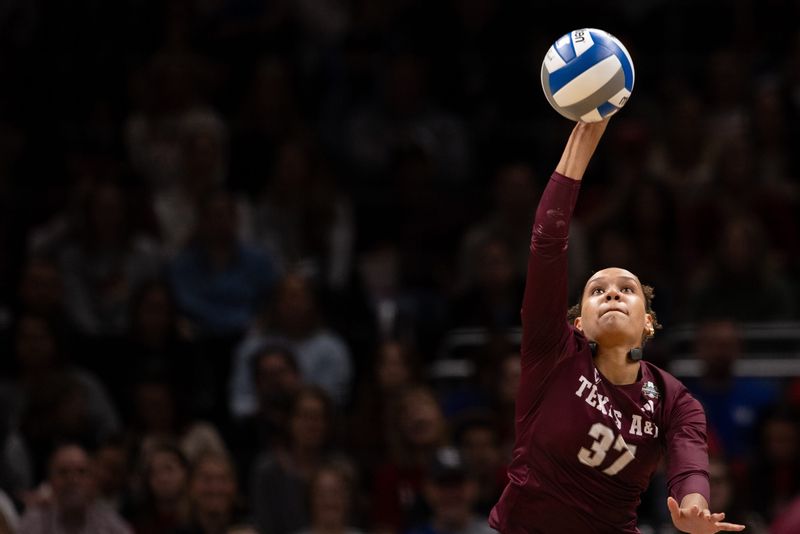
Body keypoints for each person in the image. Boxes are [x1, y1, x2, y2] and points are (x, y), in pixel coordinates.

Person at [488, 120, 745, 533]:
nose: (611, 294)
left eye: (626, 289)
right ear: (577, 323)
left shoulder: (673, 399)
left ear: (647, 323)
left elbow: (688, 465)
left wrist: (695, 508)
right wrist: (582, 140)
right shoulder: (551, 351)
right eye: (597, 291)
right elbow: (548, 242)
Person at [18, 443, 132, 534]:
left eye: (81, 472)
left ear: (92, 479)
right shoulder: (34, 522)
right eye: (63, 473)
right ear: (51, 481)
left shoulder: (110, 524)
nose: (73, 480)